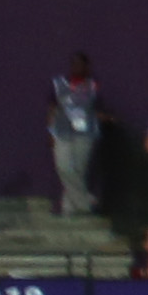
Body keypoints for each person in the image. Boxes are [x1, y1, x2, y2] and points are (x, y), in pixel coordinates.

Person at [48, 55, 104, 219]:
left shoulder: (94, 86)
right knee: (63, 167)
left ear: (87, 67)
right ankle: (86, 203)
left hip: (85, 135)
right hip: (62, 132)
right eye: (75, 64)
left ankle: (69, 209)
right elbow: (52, 109)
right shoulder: (59, 84)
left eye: (81, 65)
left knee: (78, 171)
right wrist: (50, 131)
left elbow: (96, 110)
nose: (77, 67)